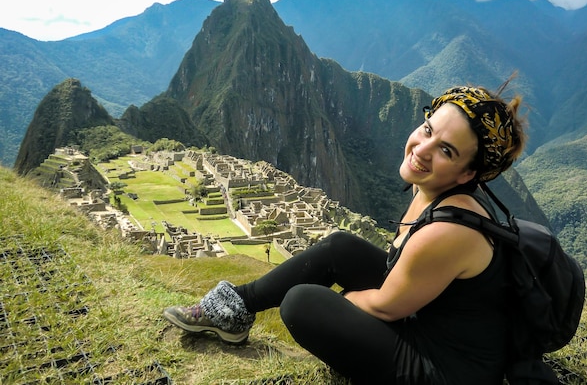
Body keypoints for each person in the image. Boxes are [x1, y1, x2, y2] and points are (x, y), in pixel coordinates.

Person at [163, 83, 526, 385]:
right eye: (429, 131)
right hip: (430, 319)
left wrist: (347, 299)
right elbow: (396, 274)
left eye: (446, 151)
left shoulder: (451, 229)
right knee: (339, 248)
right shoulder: (431, 192)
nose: (423, 150)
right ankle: (234, 307)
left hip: (444, 370)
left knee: (301, 303)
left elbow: (387, 304)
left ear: (467, 174)